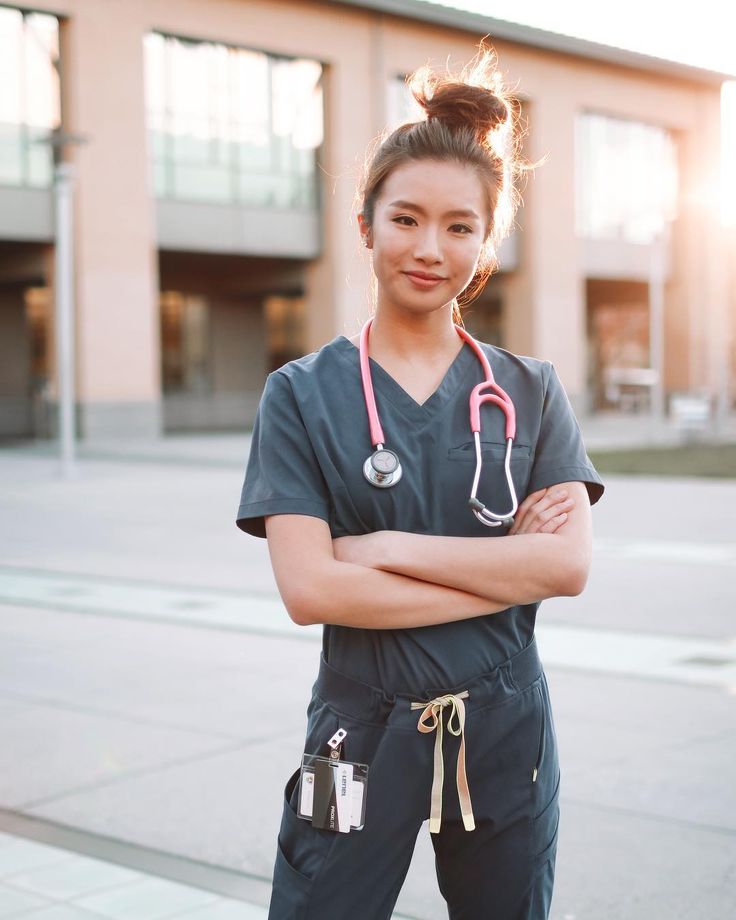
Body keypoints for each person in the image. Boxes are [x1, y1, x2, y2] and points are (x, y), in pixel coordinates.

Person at [236, 41, 605, 920]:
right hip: (352, 732)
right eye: (405, 219)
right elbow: (310, 587)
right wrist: (497, 570)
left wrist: (390, 550)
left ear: (486, 242)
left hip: (507, 730)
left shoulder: (530, 392)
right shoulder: (300, 395)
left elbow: (565, 570)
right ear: (365, 225)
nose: (429, 247)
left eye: (458, 226)